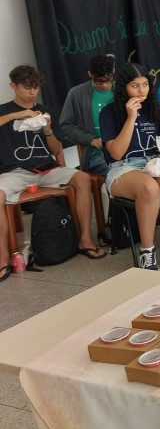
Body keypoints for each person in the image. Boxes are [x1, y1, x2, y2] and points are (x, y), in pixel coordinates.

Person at [0, 65, 104, 275]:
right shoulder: (4, 111)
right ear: (13, 86)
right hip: (14, 172)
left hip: (46, 169)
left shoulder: (46, 111)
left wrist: (47, 129)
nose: (32, 92)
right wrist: (17, 115)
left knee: (82, 179)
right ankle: (3, 256)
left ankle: (85, 238)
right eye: (27, 87)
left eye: (35, 87)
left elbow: (56, 150)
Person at [100, 63, 160, 270]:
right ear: (123, 87)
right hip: (123, 167)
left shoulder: (153, 108)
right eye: (135, 86)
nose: (141, 90)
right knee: (149, 188)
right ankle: (147, 251)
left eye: (145, 84)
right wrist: (131, 118)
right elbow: (116, 153)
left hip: (153, 161)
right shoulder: (109, 112)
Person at [58, 54, 115, 177]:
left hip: (123, 149)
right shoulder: (77, 94)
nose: (104, 85)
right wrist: (90, 140)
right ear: (90, 74)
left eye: (108, 80)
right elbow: (65, 127)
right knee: (117, 173)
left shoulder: (122, 90)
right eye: (99, 81)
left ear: (113, 72)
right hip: (96, 153)